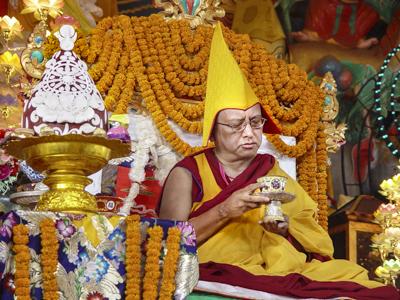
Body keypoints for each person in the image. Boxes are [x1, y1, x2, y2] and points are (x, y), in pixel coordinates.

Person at [158, 23, 399, 299]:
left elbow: (311, 239)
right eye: (236, 125)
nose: (249, 133)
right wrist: (225, 210)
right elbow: (168, 244)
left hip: (277, 266)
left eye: (255, 122)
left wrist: (284, 230)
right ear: (213, 131)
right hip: (215, 268)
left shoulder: (269, 170)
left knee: (358, 279)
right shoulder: (188, 174)